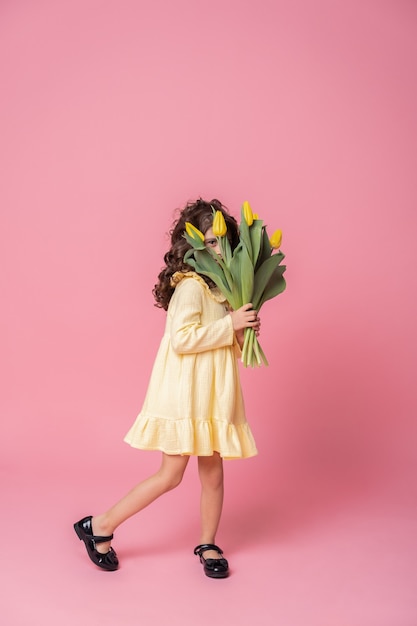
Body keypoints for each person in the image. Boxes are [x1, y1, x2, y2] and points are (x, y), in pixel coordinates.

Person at [74, 198, 260, 578]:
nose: (218, 248)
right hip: (186, 394)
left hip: (212, 394)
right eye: (208, 242)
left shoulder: (223, 291)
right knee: (170, 475)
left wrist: (242, 331)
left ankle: (208, 543)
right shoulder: (191, 286)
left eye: (222, 241)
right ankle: (99, 525)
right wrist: (230, 326)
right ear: (192, 247)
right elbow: (182, 340)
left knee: (213, 473)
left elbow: (226, 348)